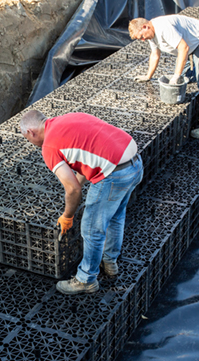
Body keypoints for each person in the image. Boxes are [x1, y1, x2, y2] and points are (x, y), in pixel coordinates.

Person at [20, 110, 143, 295]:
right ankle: (110, 261)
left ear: (31, 132)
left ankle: (86, 279)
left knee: (92, 228)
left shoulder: (49, 147)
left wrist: (67, 216)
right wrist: (77, 182)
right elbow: (90, 153)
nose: (31, 143)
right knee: (115, 216)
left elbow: (73, 190)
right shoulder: (69, 117)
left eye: (27, 139)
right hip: (134, 163)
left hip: (114, 174)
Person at [128, 15, 199, 139]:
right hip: (192, 44)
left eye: (142, 36)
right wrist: (148, 76)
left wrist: (176, 76)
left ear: (145, 26)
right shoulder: (151, 33)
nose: (143, 40)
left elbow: (184, 48)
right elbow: (155, 54)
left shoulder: (163, 28)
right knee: (189, 77)